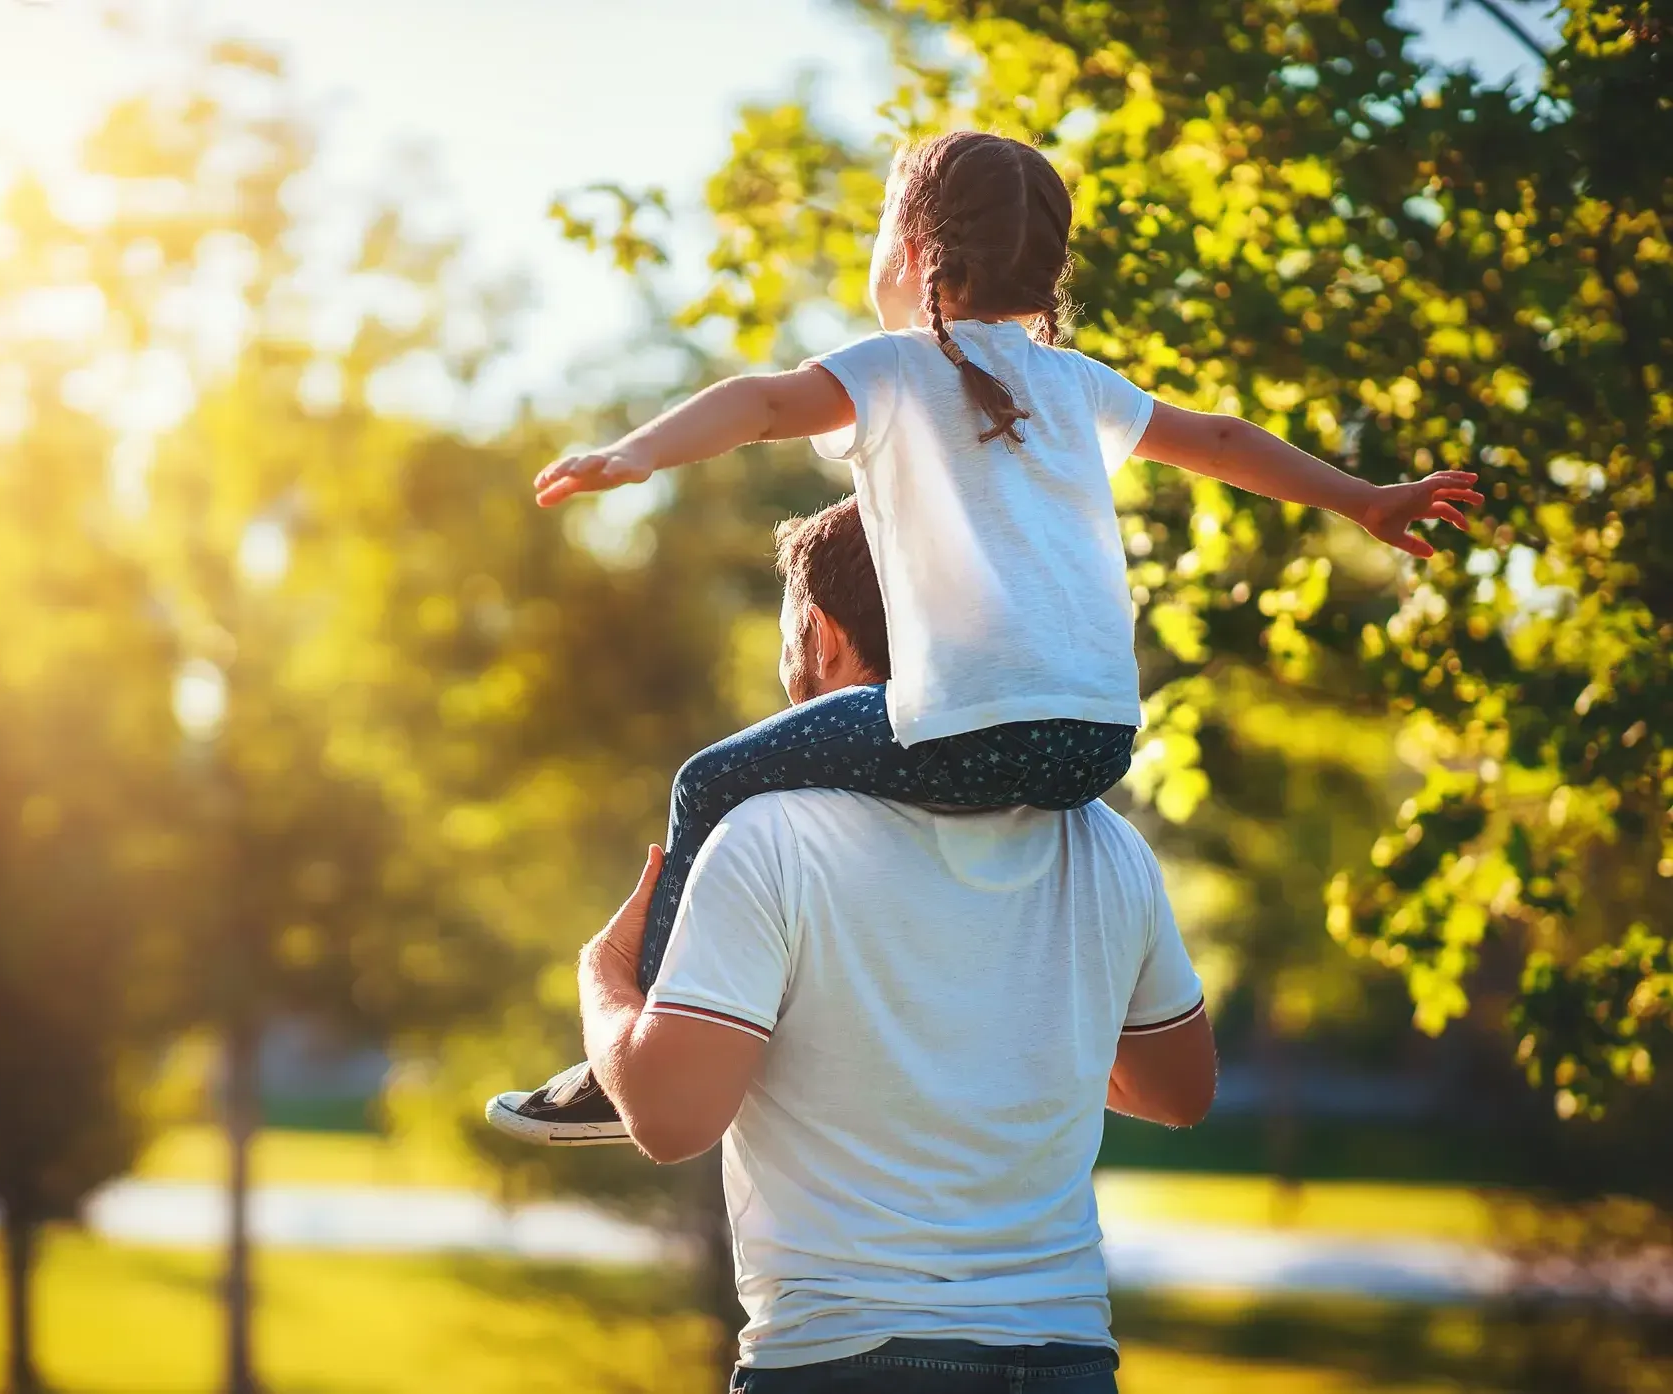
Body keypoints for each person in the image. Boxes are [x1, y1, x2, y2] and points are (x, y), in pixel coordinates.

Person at [487, 129, 1477, 1144]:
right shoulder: (1078, 382)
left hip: (963, 730)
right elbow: (1222, 439)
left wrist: (634, 453)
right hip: (1095, 744)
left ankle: (642, 1040)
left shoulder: (895, 370)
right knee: (868, 760)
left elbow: (762, 402)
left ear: (913, 254)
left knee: (708, 781)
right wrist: (1363, 499)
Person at [579, 495, 1216, 1391]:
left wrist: (604, 983)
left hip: (849, 1357)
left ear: (821, 633)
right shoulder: (1105, 841)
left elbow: (670, 1118)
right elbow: (1178, 1091)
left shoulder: (768, 836)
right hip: (1067, 1359)